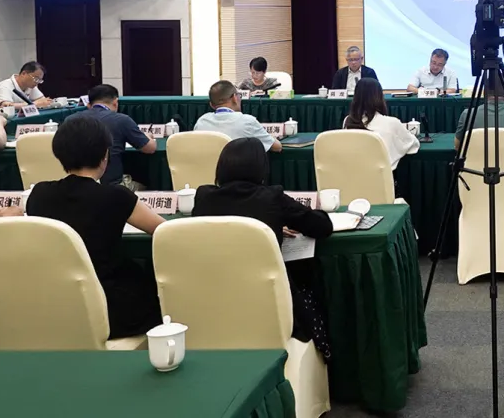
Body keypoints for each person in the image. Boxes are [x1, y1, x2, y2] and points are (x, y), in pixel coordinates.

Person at [193, 138, 334, 358]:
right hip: (269, 302)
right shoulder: (271, 197)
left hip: (213, 299)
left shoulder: (203, 196)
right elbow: (322, 226)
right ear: (261, 168)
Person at [25, 115, 165, 338]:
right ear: (105, 155)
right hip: (112, 308)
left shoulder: (39, 193)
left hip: (56, 303)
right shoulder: (116, 195)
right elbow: (164, 231)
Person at [71, 84, 156, 185]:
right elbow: (150, 148)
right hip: (112, 185)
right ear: (115, 103)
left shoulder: (70, 120)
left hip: (75, 185)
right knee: (143, 186)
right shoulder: (122, 120)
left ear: (89, 105)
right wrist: (148, 136)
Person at [343, 78, 420, 170]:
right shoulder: (392, 123)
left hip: (352, 176)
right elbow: (413, 145)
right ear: (379, 97)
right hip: (381, 177)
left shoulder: (348, 120)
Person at [194, 80, 282, 152]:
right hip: (237, 169)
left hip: (207, 169)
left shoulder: (202, 122)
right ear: (234, 98)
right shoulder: (247, 121)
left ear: (211, 105)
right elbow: (277, 147)